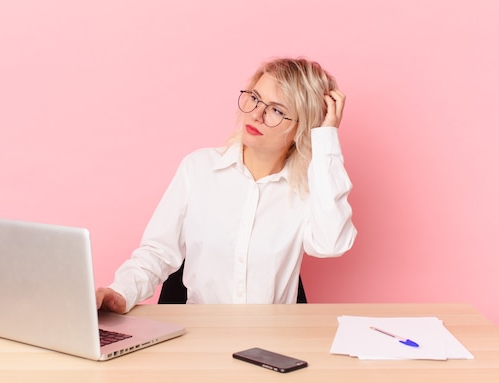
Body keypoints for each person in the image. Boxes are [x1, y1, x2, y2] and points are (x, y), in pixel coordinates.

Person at [96, 57, 357, 313]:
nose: (255, 115)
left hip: (274, 342)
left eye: (276, 110)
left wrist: (326, 138)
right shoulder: (199, 168)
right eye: (254, 98)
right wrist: (121, 292)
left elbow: (331, 244)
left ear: (302, 126)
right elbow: (158, 252)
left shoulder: (311, 188)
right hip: (201, 337)